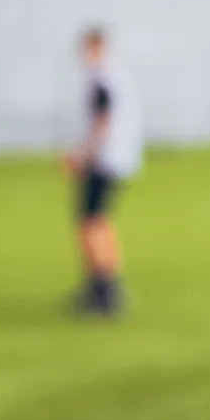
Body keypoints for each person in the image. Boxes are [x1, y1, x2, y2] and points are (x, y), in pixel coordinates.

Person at [64, 28, 142, 317]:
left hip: (103, 160)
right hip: (116, 159)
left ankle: (101, 288)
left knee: (91, 221)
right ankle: (106, 284)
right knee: (99, 219)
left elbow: (102, 123)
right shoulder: (114, 76)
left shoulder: (101, 79)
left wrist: (83, 156)